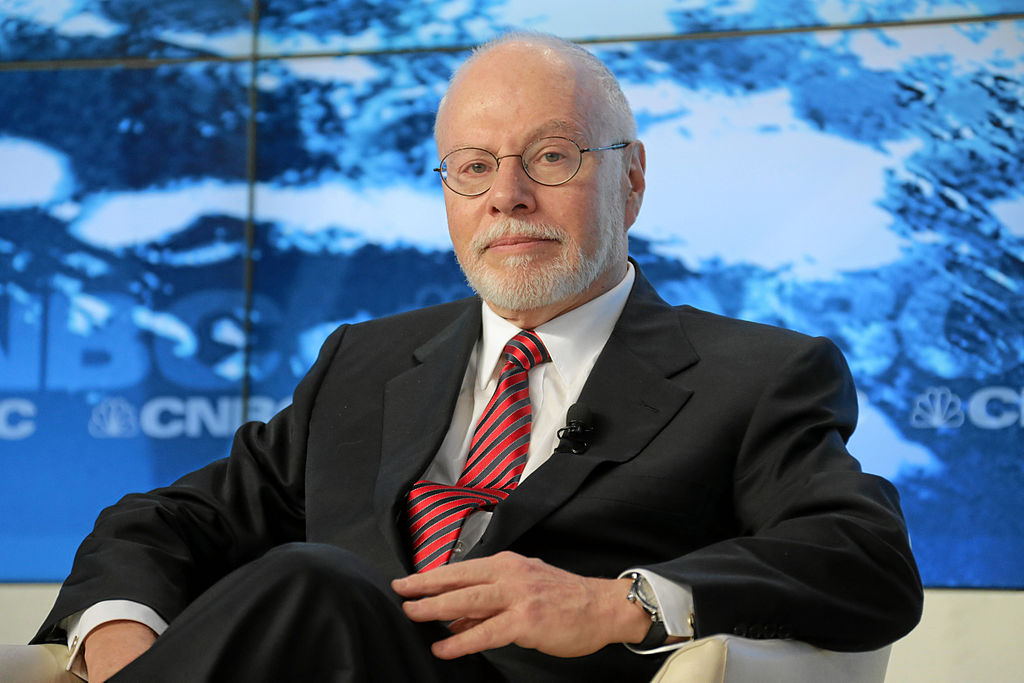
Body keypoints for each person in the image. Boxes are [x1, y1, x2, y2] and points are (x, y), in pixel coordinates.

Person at [33, 33, 923, 682]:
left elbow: (864, 554)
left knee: (312, 581)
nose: (507, 196)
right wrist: (117, 632)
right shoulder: (363, 362)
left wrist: (617, 603)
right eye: (472, 167)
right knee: (306, 586)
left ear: (632, 178)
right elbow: (166, 521)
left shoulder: (755, 376)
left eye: (551, 156)